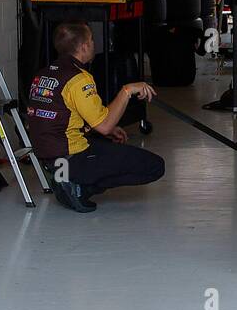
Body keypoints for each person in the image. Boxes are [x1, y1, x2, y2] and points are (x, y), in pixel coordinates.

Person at [26, 21, 164, 213]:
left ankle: (64, 179)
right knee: (154, 166)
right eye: (91, 40)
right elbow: (105, 126)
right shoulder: (79, 78)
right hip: (70, 158)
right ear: (84, 47)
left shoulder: (44, 74)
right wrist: (127, 90)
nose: (93, 43)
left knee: (108, 145)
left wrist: (99, 128)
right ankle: (78, 187)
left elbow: (61, 117)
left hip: (50, 159)